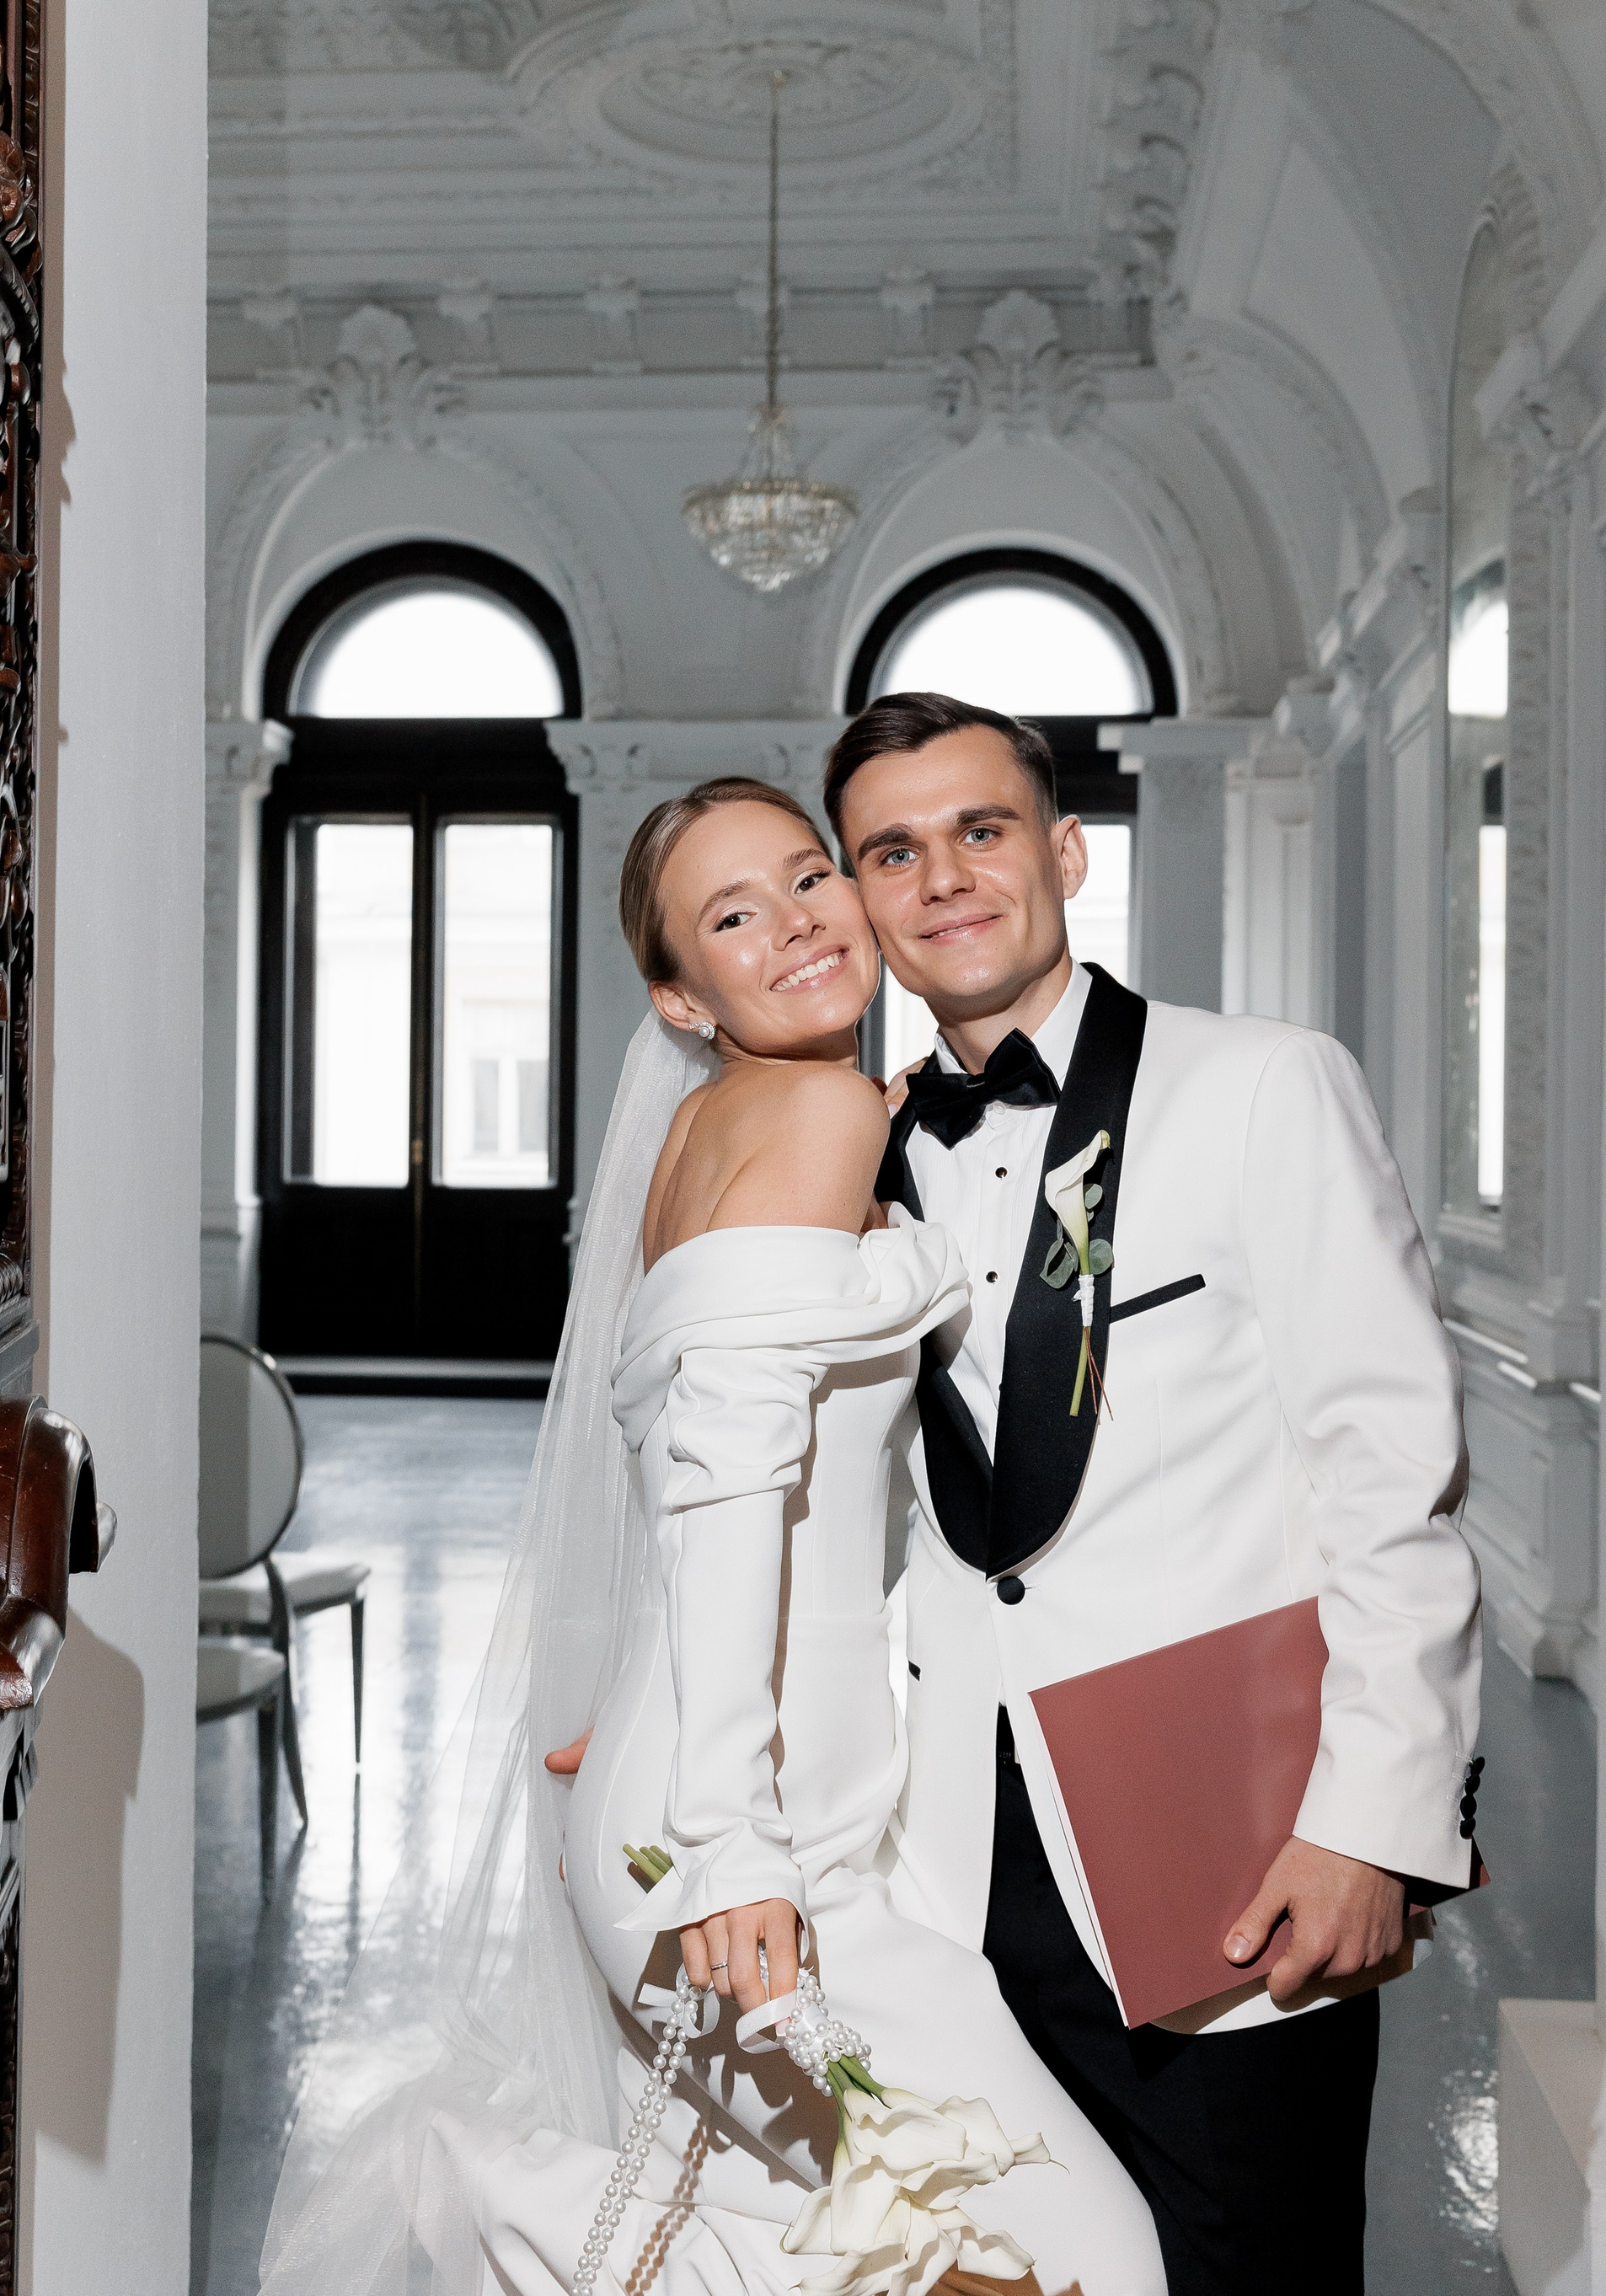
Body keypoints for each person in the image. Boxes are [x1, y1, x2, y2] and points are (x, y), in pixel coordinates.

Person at [260, 774, 1165, 2296]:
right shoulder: (819, 1113)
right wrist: (729, 1843)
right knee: (1085, 2257)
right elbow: (732, 1483)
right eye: (736, 915)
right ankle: (483, 2185)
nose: (798, 923)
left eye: (809, 877)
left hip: (697, 1803)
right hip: (742, 1852)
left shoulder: (712, 1136)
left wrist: (641, 1719)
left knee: (815, 2253)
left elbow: (668, 1478)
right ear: (683, 995)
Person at [820, 691, 1483, 2296]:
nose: (943, 877)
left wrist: (1373, 1824)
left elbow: (1390, 1471)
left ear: (1064, 854)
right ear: (861, 901)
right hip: (952, 1866)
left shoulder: (1262, 1084)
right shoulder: (859, 1156)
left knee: (1255, 2265)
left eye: (981, 830)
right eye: (893, 851)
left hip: (1230, 1850)